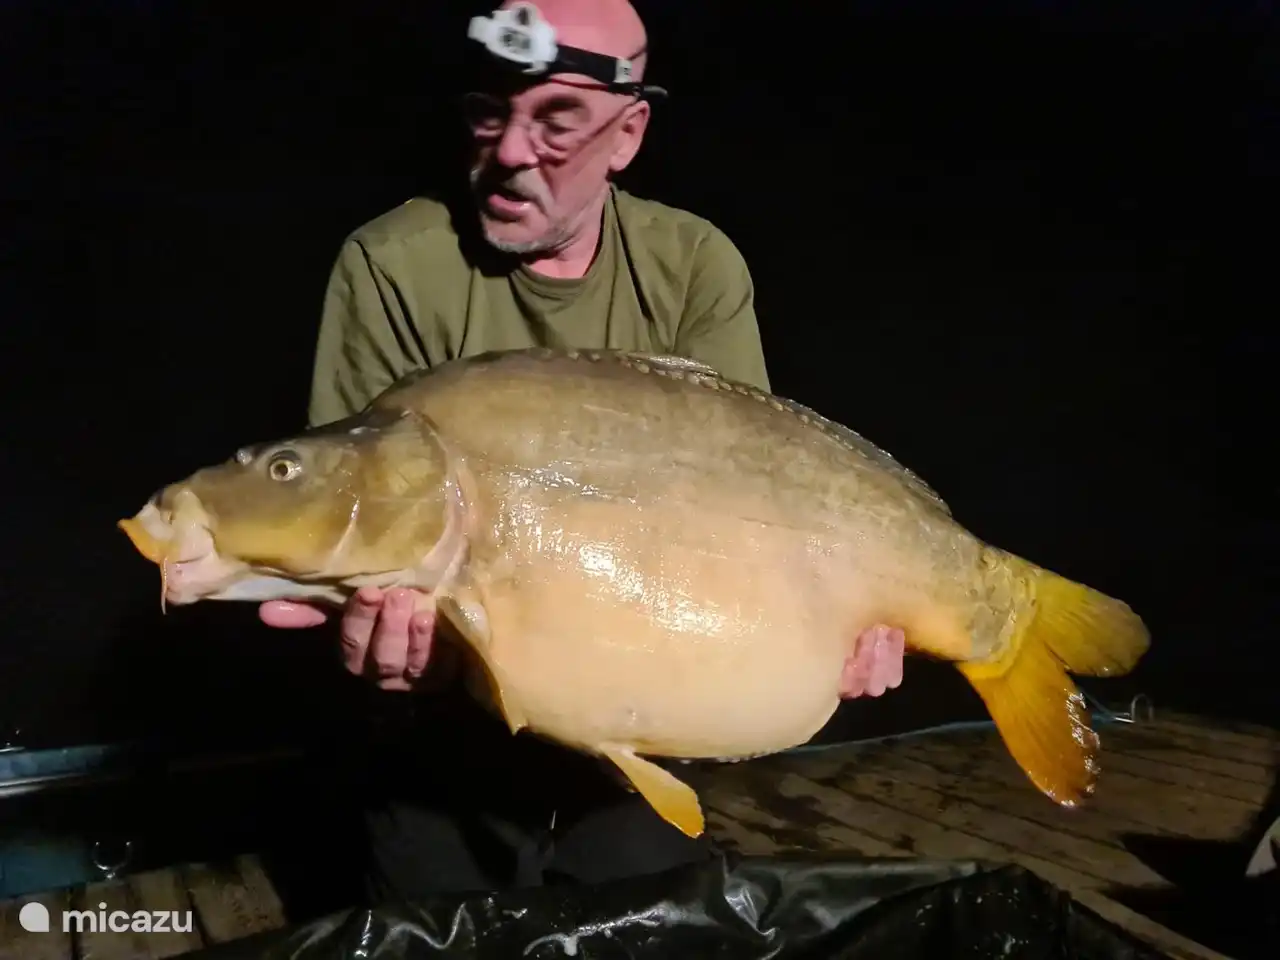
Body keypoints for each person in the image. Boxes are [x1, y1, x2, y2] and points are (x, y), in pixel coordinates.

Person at [259, 0, 907, 904]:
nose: (513, 151)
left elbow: (754, 513)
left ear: (629, 131)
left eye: (556, 118)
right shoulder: (391, 265)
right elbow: (352, 512)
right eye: (491, 110)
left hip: (631, 727)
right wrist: (366, 621)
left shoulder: (692, 267)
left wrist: (837, 623)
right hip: (442, 746)